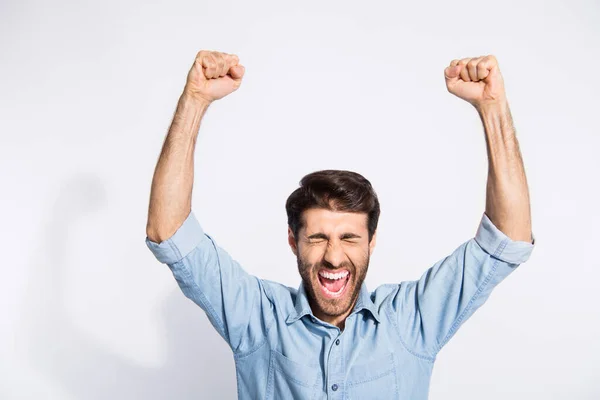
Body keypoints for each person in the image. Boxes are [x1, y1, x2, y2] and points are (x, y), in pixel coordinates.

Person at [145, 50, 535, 399]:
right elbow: (170, 231)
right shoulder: (257, 319)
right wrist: (194, 101)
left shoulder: (412, 320)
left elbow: (506, 241)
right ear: (293, 241)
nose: (334, 256)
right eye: (317, 237)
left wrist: (493, 107)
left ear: (371, 241)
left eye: (349, 237)